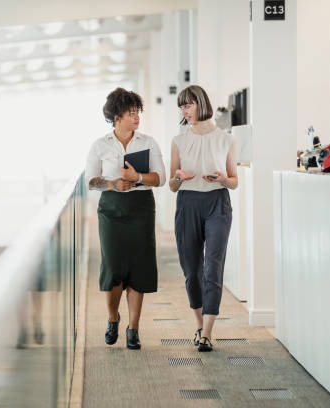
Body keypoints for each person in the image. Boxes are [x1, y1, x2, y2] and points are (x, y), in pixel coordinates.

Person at [85, 87, 166, 350]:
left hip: (141, 208)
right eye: (131, 113)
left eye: (137, 112)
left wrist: (137, 178)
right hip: (111, 210)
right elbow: (91, 181)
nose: (136, 117)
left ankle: (133, 328)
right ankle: (113, 318)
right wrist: (112, 184)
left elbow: (160, 178)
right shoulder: (100, 145)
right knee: (113, 269)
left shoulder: (148, 142)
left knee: (139, 269)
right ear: (116, 116)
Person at [169, 85, 238, 352]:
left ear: (200, 104)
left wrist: (222, 178)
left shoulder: (226, 138)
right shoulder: (179, 140)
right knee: (191, 271)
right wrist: (177, 178)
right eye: (181, 107)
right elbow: (172, 186)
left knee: (213, 267)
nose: (184, 111)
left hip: (218, 203)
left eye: (188, 105)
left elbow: (234, 181)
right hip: (187, 204)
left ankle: (207, 332)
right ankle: (198, 324)